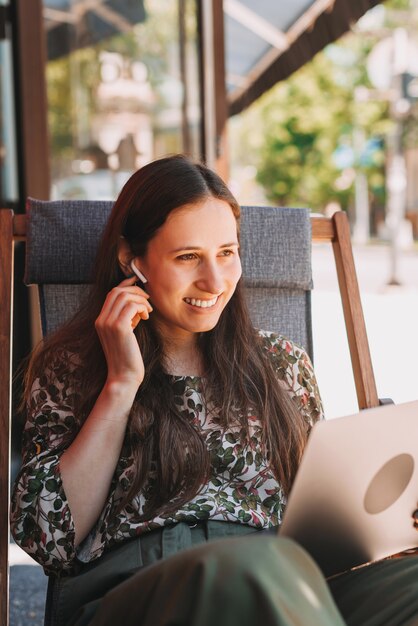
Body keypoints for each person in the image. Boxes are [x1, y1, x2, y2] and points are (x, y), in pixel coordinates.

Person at [11, 155, 418, 626]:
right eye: (188, 257)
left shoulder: (282, 365)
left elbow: (320, 515)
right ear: (131, 259)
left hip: (283, 584)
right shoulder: (75, 367)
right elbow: (49, 538)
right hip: (141, 590)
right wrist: (121, 385)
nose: (215, 281)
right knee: (249, 568)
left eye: (227, 252)